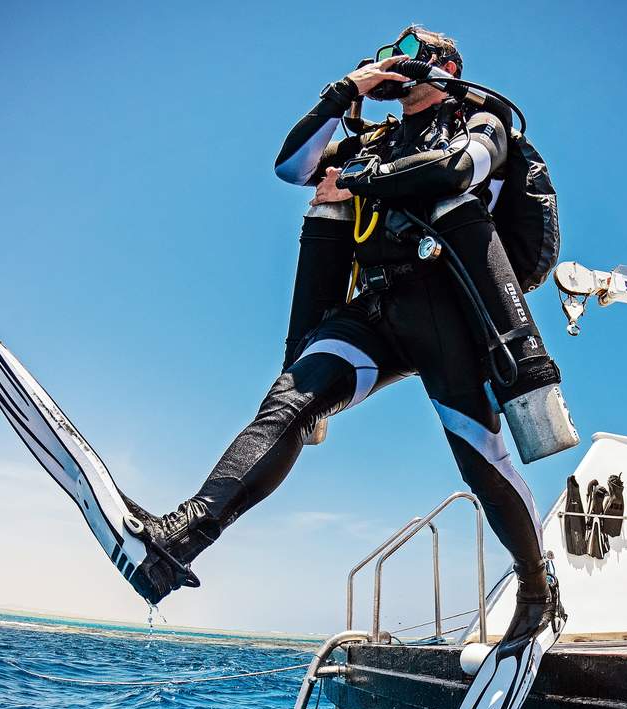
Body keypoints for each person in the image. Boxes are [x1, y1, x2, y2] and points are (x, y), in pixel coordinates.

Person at [121, 27, 564, 643]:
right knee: (289, 403)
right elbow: (291, 166)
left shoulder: (480, 120)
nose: (388, 66)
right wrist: (340, 94)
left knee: (479, 460)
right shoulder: (373, 140)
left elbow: (459, 169)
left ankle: (537, 590)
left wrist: (359, 183)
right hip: (376, 309)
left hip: (449, 308)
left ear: (443, 67)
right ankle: (180, 540)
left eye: (402, 56)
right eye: (383, 59)